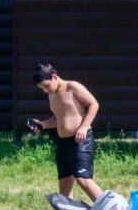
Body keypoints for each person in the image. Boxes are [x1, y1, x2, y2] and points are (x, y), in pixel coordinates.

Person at [29, 63, 102, 201]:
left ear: (54, 76)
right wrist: (42, 125)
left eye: (46, 86)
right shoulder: (51, 94)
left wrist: (84, 126)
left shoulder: (72, 87)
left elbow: (94, 104)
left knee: (82, 179)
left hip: (80, 139)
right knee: (64, 182)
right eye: (41, 88)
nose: (45, 91)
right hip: (63, 142)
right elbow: (58, 118)